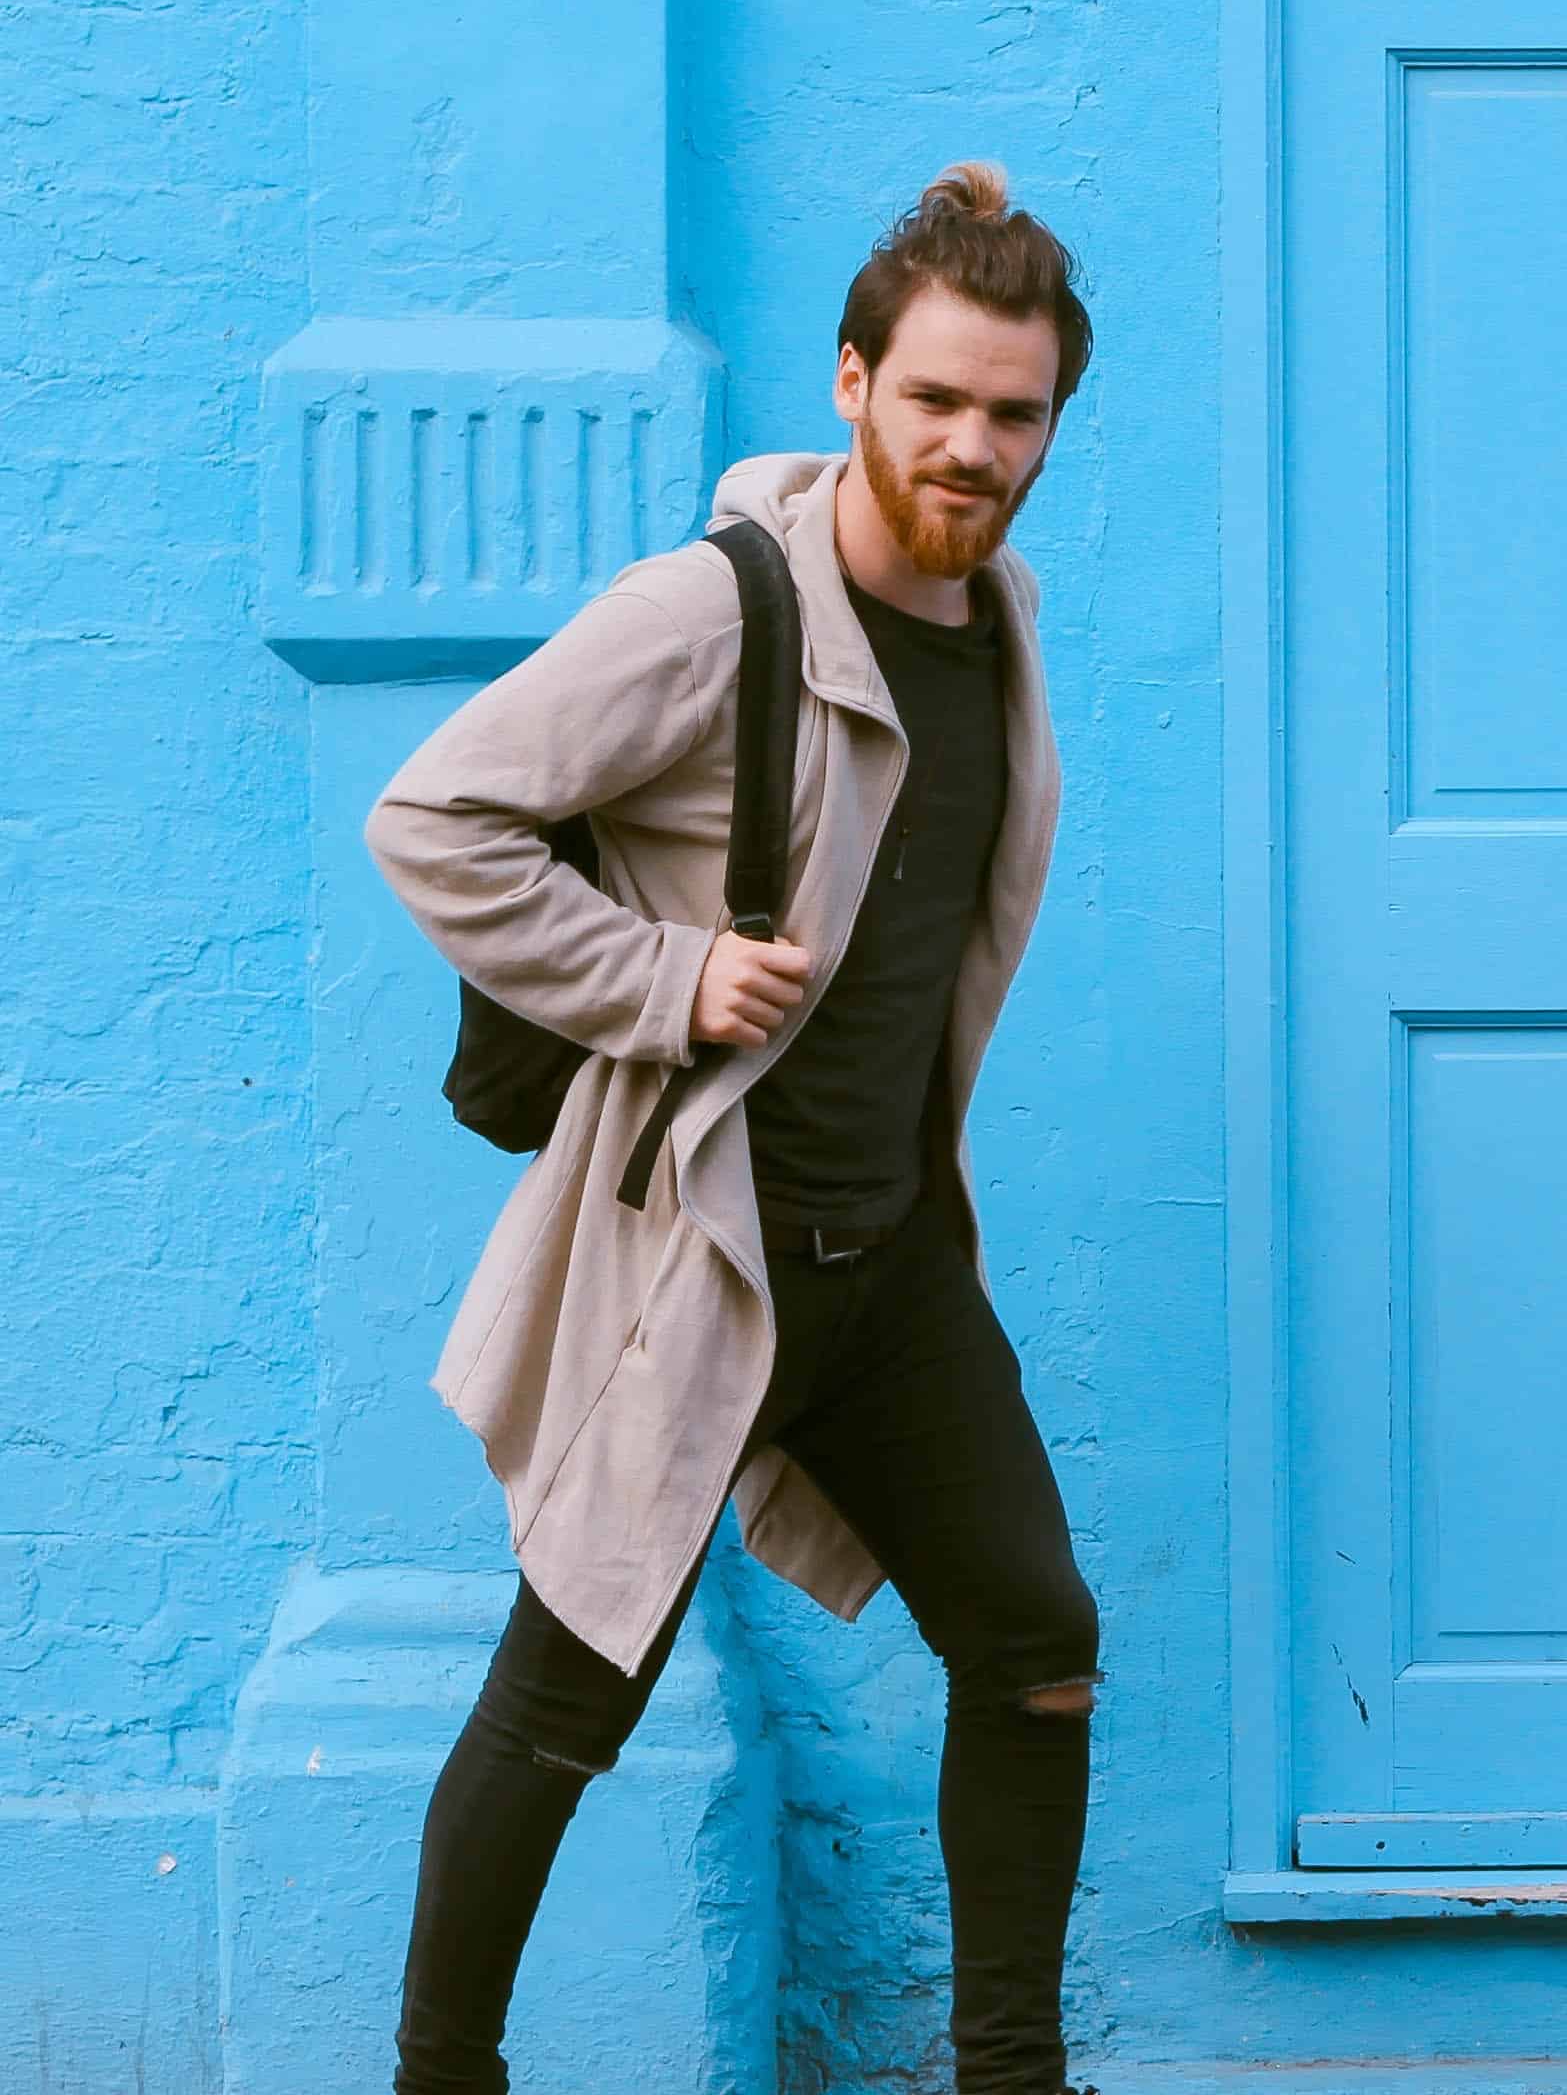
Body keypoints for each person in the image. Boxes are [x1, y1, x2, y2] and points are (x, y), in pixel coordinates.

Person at [372, 165, 1100, 2095]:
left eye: (1013, 411)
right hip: (706, 1251)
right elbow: (434, 820)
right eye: (934, 396)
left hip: (892, 1260)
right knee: (565, 1697)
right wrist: (663, 977)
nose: (971, 444)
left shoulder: (998, 614)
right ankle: (439, 2076)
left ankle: (1010, 2077)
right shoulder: (715, 611)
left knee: (1036, 1645)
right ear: (853, 381)